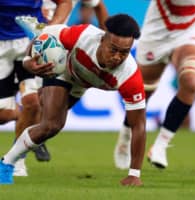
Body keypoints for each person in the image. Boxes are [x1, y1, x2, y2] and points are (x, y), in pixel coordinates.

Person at [0, 14, 146, 186]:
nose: (117, 57)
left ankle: (20, 149)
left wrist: (134, 174)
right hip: (63, 69)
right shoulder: (83, 36)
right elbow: (47, 36)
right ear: (102, 38)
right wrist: (27, 62)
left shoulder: (129, 75)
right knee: (52, 125)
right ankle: (7, 164)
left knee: (43, 122)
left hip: (81, 84)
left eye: (124, 52)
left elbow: (138, 125)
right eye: (113, 49)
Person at [114, 0, 195, 169]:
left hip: (190, 31)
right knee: (142, 96)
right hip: (157, 33)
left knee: (191, 82)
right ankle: (125, 137)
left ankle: (161, 145)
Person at [0, 0, 72, 176]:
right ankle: (20, 115)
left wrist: (49, 30)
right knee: (3, 115)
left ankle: (17, 161)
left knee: (32, 102)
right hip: (1, 45)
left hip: (29, 43)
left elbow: (65, 3)